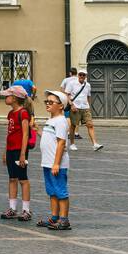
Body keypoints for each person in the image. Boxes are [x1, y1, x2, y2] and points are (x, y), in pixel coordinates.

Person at [0, 86, 36, 221]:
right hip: (10, 150)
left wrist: (22, 153)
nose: (5, 98)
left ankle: (26, 210)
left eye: (7, 96)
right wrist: (5, 151)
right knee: (12, 178)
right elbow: (9, 134)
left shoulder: (23, 113)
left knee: (23, 179)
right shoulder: (10, 114)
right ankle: (12, 208)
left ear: (14, 98)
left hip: (19, 150)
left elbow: (26, 134)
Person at [38, 90, 72, 230]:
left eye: (51, 102)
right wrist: (37, 130)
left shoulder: (61, 121)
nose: (48, 104)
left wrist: (56, 163)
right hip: (48, 162)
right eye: (47, 101)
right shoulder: (51, 120)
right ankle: (54, 217)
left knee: (60, 192)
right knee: (52, 192)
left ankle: (64, 220)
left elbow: (61, 143)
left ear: (61, 106)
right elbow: (48, 138)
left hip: (56, 164)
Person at [66, 66, 103, 152]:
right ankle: (72, 144)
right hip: (75, 107)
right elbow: (67, 94)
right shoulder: (72, 83)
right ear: (78, 75)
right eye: (80, 74)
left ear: (86, 76)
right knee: (73, 126)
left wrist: (89, 106)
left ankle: (95, 144)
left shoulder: (88, 85)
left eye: (84, 75)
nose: (82, 76)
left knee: (90, 125)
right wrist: (71, 105)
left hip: (85, 107)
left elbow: (88, 96)